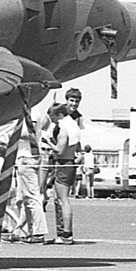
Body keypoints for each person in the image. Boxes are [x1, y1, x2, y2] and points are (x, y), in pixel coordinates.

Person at [49, 103, 80, 244]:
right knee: (62, 200)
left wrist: (48, 142)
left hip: (63, 163)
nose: (52, 121)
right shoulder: (73, 125)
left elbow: (59, 150)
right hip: (70, 162)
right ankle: (64, 232)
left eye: (53, 118)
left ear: (59, 115)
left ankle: (66, 234)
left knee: (63, 200)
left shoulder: (64, 129)